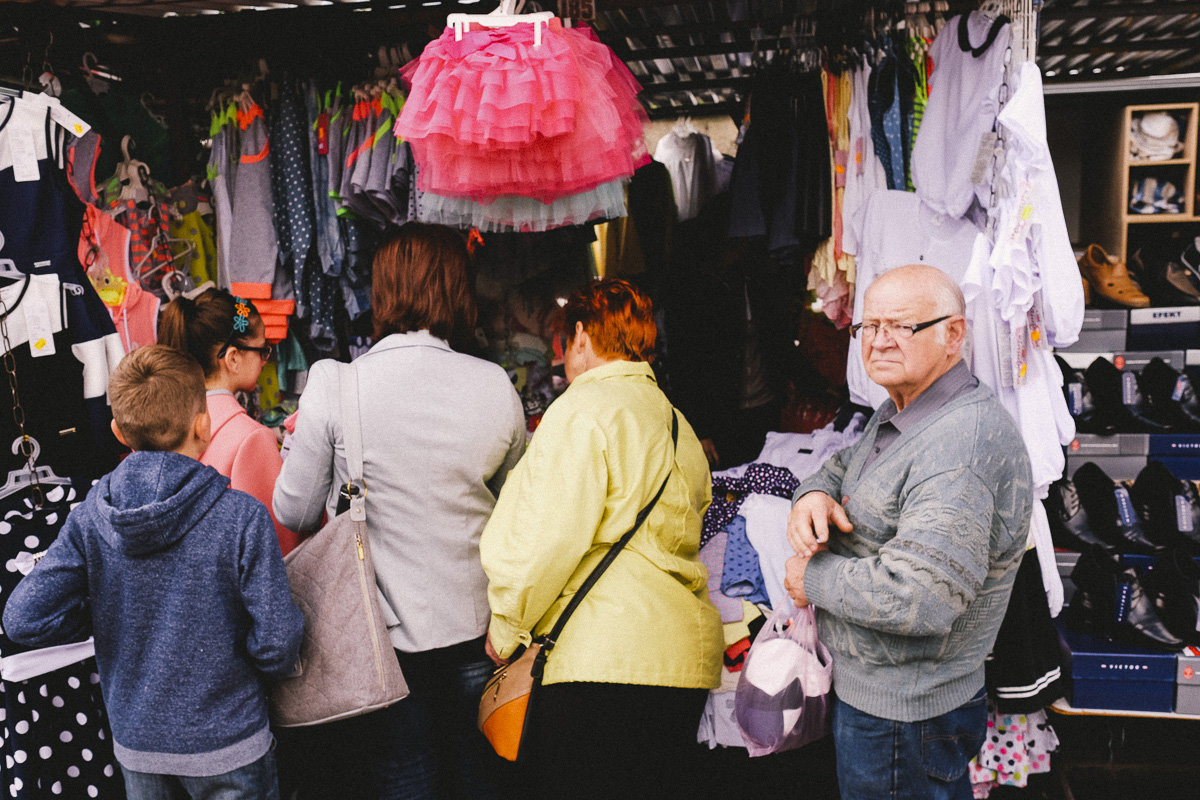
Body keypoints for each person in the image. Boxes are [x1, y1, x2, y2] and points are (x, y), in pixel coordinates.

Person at [273, 222, 527, 800]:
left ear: (382, 291)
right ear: (456, 290)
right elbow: (520, 510)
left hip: (379, 635)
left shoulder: (336, 384)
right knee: (476, 771)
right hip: (478, 629)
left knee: (402, 774)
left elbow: (292, 507)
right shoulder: (496, 386)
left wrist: (299, 447)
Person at [3, 345, 304, 800]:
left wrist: (103, 619)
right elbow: (279, 641)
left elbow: (22, 617)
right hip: (229, 739)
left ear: (118, 432)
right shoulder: (241, 517)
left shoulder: (89, 518)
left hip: (139, 745)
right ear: (203, 424)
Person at [783, 264, 1032, 800]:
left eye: (901, 326)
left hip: (904, 717)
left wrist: (814, 579)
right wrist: (814, 494)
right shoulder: (904, 407)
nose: (879, 342)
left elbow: (922, 597)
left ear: (954, 335)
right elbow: (845, 464)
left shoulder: (958, 445)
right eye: (869, 327)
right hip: (887, 704)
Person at [480, 278, 724, 800]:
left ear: (583, 336)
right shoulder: (678, 424)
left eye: (564, 342)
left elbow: (544, 540)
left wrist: (505, 627)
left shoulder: (580, 412)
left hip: (598, 666)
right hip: (682, 663)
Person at [159, 287, 299, 554]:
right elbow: (281, 543)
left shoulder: (162, 420)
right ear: (233, 357)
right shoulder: (249, 438)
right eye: (263, 350)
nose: (264, 361)